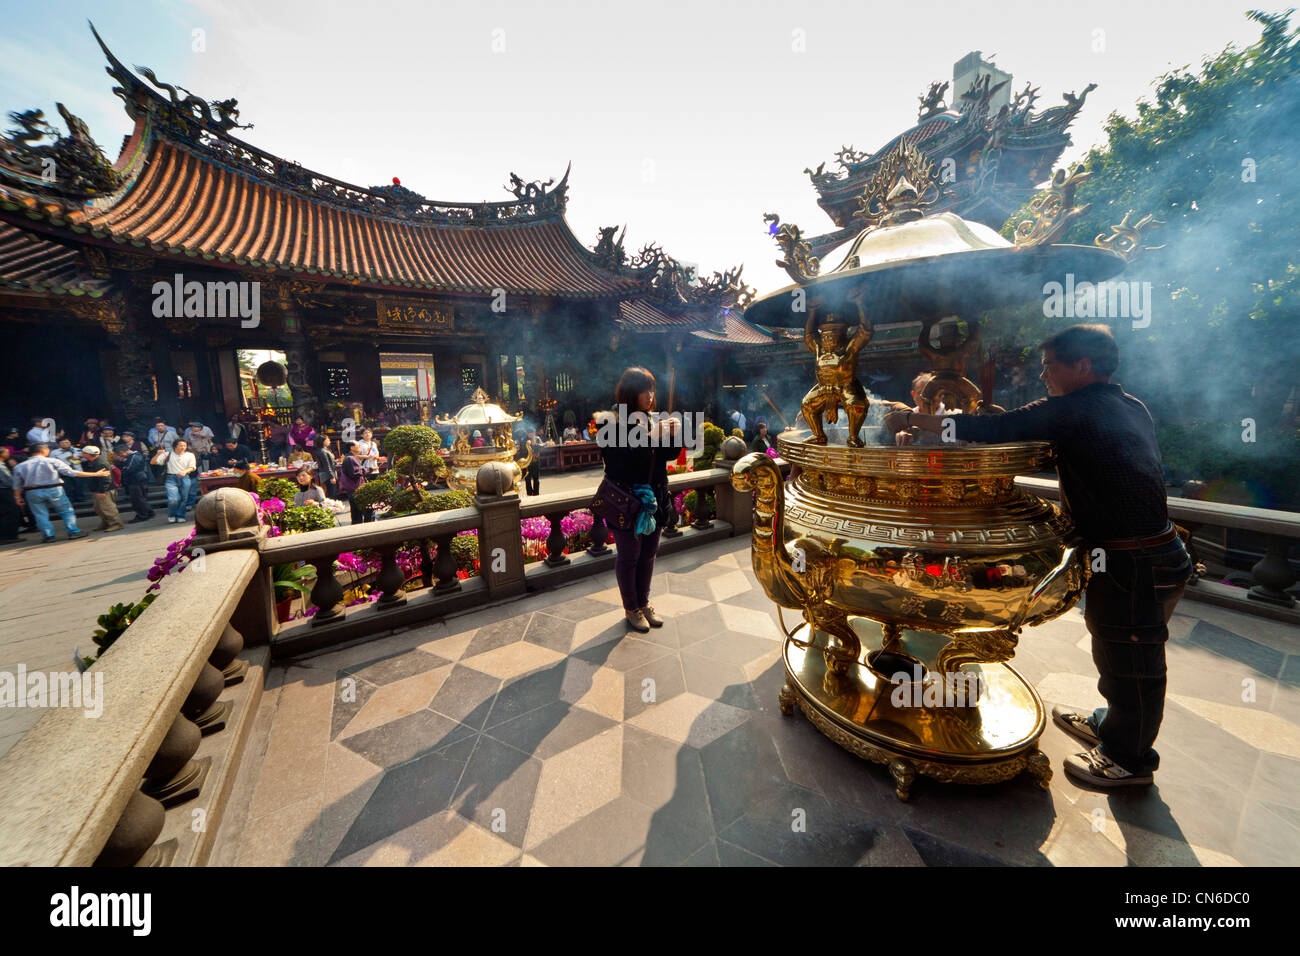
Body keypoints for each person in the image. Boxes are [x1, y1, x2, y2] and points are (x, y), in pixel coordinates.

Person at [883, 324, 1192, 789]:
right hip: (1153, 552)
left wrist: (916, 420)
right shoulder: (1130, 406)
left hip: (1137, 561)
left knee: (1133, 657)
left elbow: (995, 429)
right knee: (1116, 646)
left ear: (1082, 367)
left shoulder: (1072, 411)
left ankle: (1129, 759)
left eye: (1050, 366)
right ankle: (1114, 727)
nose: (1043, 374)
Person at [598, 366, 682, 633]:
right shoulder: (610, 420)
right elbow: (621, 462)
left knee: (648, 554)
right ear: (631, 392)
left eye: (653, 389)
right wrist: (651, 436)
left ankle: (644, 603)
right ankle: (631, 608)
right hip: (627, 500)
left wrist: (674, 435)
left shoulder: (651, 418)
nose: (651, 395)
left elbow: (666, 456)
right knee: (629, 555)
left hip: (654, 497)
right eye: (645, 389)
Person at [11, 442, 106, 541]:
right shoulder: (52, 461)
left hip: (32, 491)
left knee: (40, 514)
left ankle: (48, 535)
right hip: (54, 488)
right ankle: (73, 531)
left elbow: (17, 485)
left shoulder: (20, 466)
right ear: (43, 450)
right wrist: (94, 474)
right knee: (66, 510)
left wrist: (17, 497)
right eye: (47, 449)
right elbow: (70, 472)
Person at [79, 446, 123, 532]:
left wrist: (102, 490)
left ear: (88, 454)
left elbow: (106, 479)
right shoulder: (91, 462)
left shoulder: (100, 463)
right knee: (98, 508)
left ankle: (116, 524)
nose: (82, 454)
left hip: (104, 490)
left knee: (108, 507)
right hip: (96, 489)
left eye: (83, 453)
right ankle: (106, 522)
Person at [155, 437, 197, 524]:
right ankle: (172, 515)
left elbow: (192, 467)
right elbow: (153, 462)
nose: (183, 447)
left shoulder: (190, 455)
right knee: (173, 499)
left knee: (184, 498)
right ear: (175, 446)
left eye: (185, 446)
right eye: (181, 445)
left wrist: (184, 471)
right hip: (171, 478)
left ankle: (181, 515)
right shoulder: (167, 454)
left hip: (185, 477)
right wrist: (157, 454)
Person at [118, 443, 155, 522]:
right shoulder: (137, 455)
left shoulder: (133, 457)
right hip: (140, 479)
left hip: (136, 480)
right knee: (141, 498)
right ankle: (149, 512)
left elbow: (129, 469)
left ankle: (142, 515)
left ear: (123, 451)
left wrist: (122, 471)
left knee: (137, 499)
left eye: (120, 454)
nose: (120, 456)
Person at [337, 442, 370, 525]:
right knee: (357, 513)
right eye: (357, 445)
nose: (359, 447)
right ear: (351, 448)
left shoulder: (352, 458)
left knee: (357, 513)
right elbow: (354, 473)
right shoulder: (350, 459)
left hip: (355, 488)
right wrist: (368, 470)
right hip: (354, 488)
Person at [0, 449, 20, 542]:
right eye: (6, 452)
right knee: (11, 512)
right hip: (4, 491)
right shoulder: (1, 467)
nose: (8, 454)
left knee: (4, 513)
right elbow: (8, 481)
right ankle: (9, 536)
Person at [514, 428, 539, 495]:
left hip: (535, 461)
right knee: (527, 479)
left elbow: (541, 448)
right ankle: (529, 493)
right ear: (527, 434)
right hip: (527, 462)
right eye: (530, 433)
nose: (532, 435)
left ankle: (536, 493)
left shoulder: (537, 439)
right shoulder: (524, 441)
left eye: (533, 433)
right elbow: (522, 451)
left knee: (536, 478)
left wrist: (534, 444)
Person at [313, 434, 339, 498]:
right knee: (332, 493)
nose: (329, 441)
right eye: (327, 440)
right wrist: (331, 477)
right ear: (323, 441)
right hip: (328, 475)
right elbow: (326, 465)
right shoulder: (322, 451)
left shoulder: (324, 450)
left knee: (332, 491)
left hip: (328, 473)